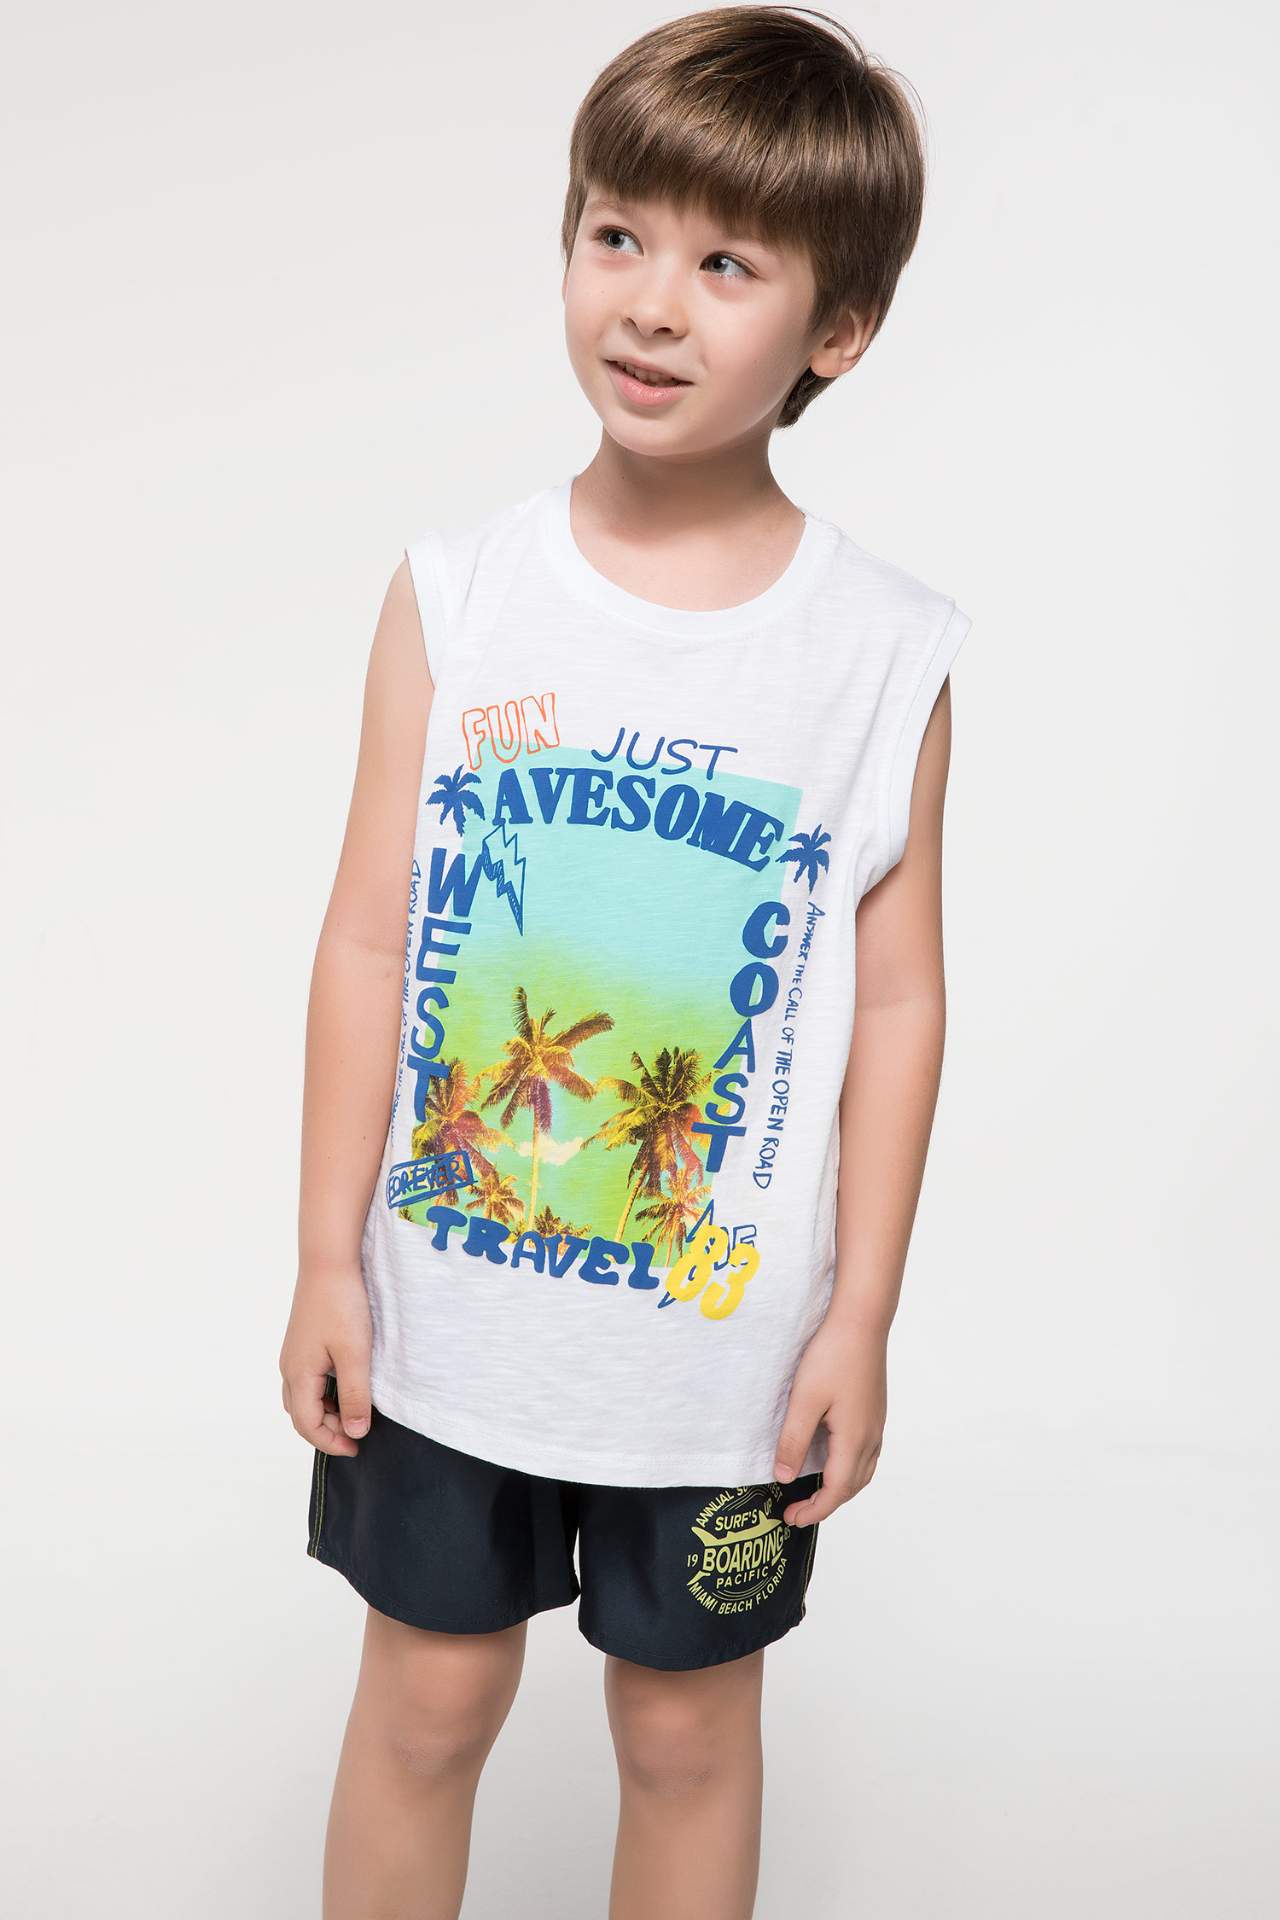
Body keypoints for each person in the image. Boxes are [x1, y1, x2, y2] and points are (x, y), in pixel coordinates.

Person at [278, 8, 974, 1916]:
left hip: (720, 1361)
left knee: (682, 1735)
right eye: (617, 235)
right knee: (426, 1707)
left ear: (838, 331)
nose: (653, 303)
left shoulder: (883, 654)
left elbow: (898, 1005)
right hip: (446, 1323)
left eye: (728, 263)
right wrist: (327, 1256)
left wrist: (862, 1315)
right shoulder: (459, 596)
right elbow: (366, 935)